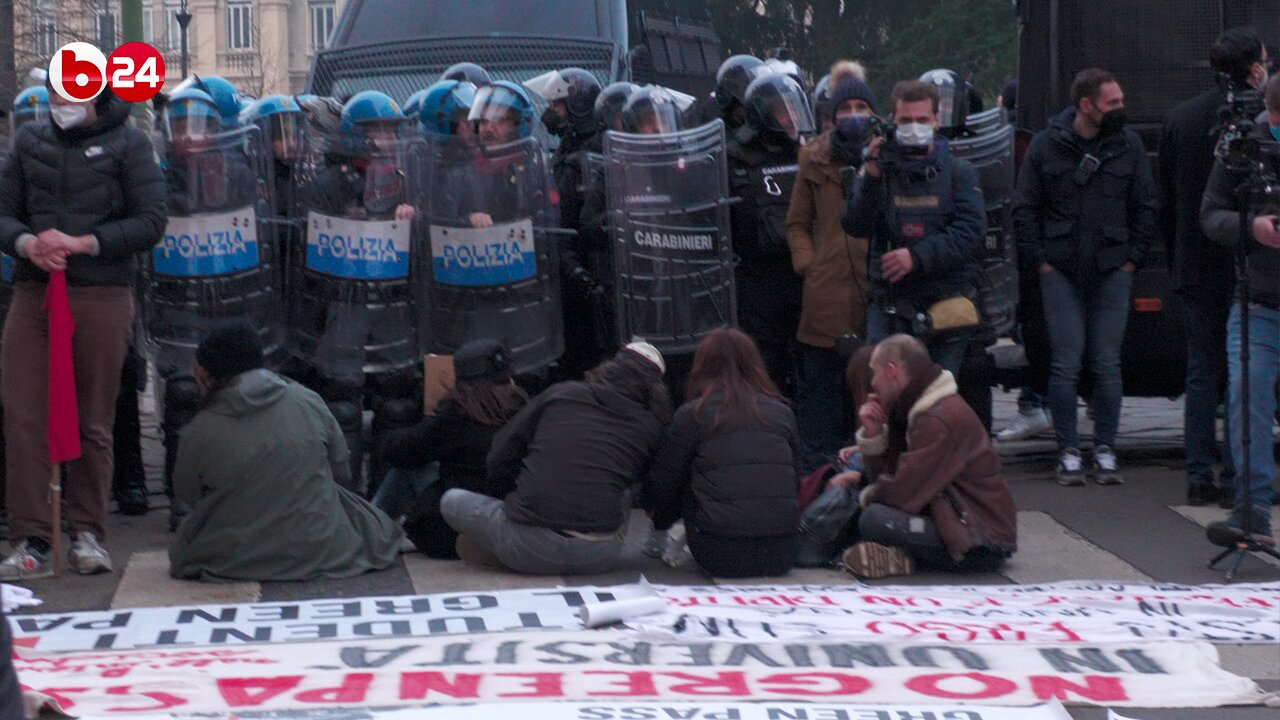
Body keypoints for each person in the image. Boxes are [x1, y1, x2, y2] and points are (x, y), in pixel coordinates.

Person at [0, 85, 166, 579]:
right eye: (56, 94)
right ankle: (31, 537)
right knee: (22, 411)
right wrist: (27, 242)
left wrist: (85, 242)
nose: (62, 104)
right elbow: (4, 212)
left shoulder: (130, 143)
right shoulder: (28, 140)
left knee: (93, 417)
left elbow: (151, 220)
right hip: (33, 292)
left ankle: (87, 530)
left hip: (101, 292)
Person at [169, 322, 403, 581]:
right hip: (319, 548)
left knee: (190, 535)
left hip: (233, 558)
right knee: (367, 519)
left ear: (204, 376)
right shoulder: (306, 400)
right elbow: (342, 471)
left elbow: (187, 494)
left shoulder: (201, 427)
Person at [1012, 68, 1156, 486]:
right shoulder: (1046, 145)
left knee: (1107, 363)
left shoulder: (1127, 145)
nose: (1121, 110)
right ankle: (1068, 450)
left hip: (1113, 268)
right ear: (1086, 106)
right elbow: (1025, 208)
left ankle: (1106, 448)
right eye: (1113, 103)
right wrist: (1040, 260)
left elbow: (1145, 204)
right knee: (1066, 363)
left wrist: (1132, 258)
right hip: (1061, 270)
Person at [440, 342, 670, 574]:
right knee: (624, 493)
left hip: (528, 545)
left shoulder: (561, 393)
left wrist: (513, 496)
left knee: (451, 500)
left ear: (609, 368)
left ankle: (505, 545)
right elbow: (654, 487)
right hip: (599, 557)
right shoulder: (651, 427)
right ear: (656, 389)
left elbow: (500, 454)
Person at [1162, 29, 1265, 507]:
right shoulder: (1263, 122)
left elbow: (1168, 200)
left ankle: (1198, 472)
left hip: (1196, 263)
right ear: (1254, 69)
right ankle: (1238, 475)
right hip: (1251, 263)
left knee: (1203, 372)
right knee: (1247, 373)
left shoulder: (1180, 119)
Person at [841, 80, 987, 377]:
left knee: (935, 398)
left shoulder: (959, 173)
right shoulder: (880, 171)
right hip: (891, 308)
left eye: (922, 120)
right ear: (894, 121)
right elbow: (855, 226)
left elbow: (971, 233)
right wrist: (870, 176)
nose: (914, 126)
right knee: (883, 394)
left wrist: (917, 256)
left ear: (935, 121)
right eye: (906, 120)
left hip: (945, 306)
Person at [841, 334, 1017, 578]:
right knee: (867, 510)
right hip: (955, 519)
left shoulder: (938, 418)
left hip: (981, 540)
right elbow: (891, 478)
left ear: (891, 371)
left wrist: (863, 498)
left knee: (872, 518)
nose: (873, 385)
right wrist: (873, 435)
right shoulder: (915, 407)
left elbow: (902, 493)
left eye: (875, 374)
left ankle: (907, 559)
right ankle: (902, 556)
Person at [1198, 73, 1280, 546]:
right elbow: (1210, 213)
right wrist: (1252, 226)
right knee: (1247, 395)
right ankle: (1252, 511)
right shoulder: (1243, 146)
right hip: (1260, 298)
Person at [646, 329, 801, 577]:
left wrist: (659, 520)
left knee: (688, 471)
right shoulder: (782, 413)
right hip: (782, 550)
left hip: (719, 550)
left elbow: (665, 482)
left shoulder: (694, 415)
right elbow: (794, 479)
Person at [787, 60, 875, 469]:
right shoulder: (813, 157)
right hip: (825, 293)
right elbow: (797, 223)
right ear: (832, 113)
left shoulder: (884, 153)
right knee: (820, 399)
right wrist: (809, 264)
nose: (854, 115)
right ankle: (816, 483)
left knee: (867, 400)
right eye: (846, 107)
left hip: (875, 291)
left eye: (861, 106)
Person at [377, 339, 528, 558]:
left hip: (451, 532)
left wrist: (418, 424)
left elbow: (400, 453)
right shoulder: (526, 411)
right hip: (511, 522)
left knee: (408, 467)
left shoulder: (453, 417)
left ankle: (368, 529)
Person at [730, 72, 815, 400]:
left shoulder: (810, 154)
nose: (790, 119)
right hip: (759, 281)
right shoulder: (734, 158)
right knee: (766, 367)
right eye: (782, 112)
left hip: (805, 275)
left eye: (795, 110)